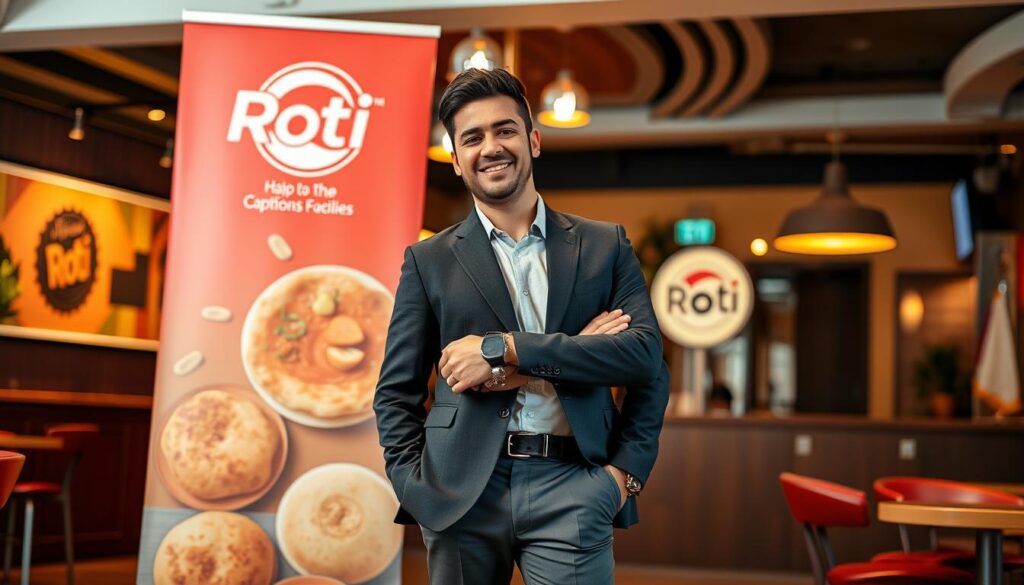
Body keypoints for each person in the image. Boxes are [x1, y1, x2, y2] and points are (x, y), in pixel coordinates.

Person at [373, 67, 669, 585]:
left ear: (533, 139)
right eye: (473, 137)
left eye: (505, 129)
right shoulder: (428, 261)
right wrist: (413, 485)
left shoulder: (605, 246)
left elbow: (644, 359)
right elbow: (394, 393)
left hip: (575, 483)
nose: (492, 146)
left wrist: (623, 478)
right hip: (458, 492)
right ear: (457, 158)